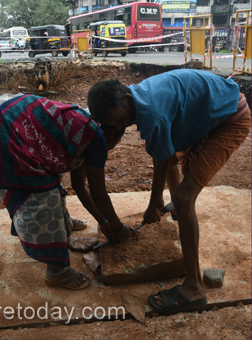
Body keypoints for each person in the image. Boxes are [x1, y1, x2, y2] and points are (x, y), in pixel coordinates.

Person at [87, 69, 251, 314]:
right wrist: (158, 198)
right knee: (174, 164)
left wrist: (154, 203)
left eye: (120, 119)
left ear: (127, 100)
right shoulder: (136, 94)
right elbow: (163, 154)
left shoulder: (151, 113)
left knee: (185, 197)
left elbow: (160, 159)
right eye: (115, 124)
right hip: (211, 107)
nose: (121, 126)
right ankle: (178, 214)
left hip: (229, 116)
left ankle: (194, 288)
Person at [0, 93, 132, 290]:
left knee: (52, 182)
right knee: (44, 194)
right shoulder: (97, 139)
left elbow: (79, 186)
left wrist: (103, 222)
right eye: (114, 145)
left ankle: (61, 229)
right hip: (8, 127)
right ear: (112, 134)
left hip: (16, 112)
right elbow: (99, 194)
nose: (110, 150)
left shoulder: (87, 129)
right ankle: (57, 272)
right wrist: (117, 227)